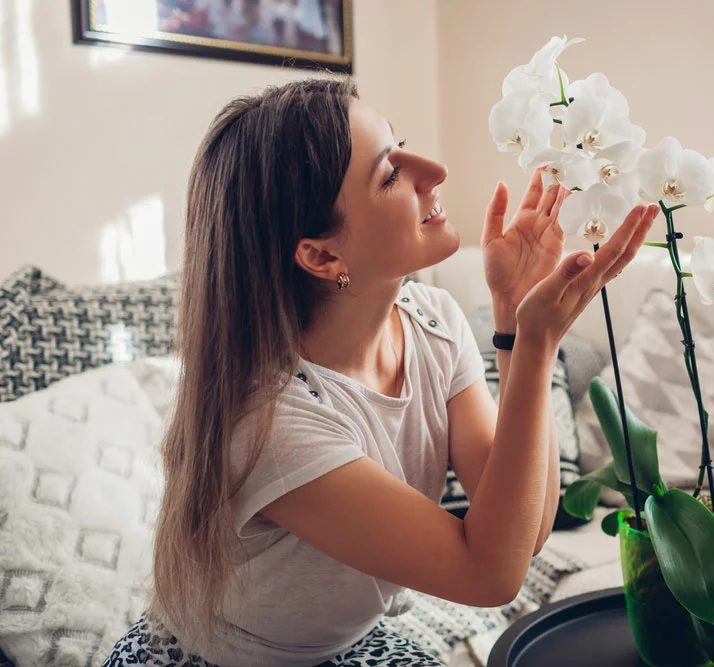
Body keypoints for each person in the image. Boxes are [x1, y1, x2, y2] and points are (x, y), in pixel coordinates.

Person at [103, 77, 657, 667]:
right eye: (390, 174)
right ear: (322, 255)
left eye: (403, 145)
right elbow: (488, 574)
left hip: (346, 644)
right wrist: (538, 340)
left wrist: (516, 328)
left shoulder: (433, 323)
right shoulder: (271, 425)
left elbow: (524, 533)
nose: (434, 170)